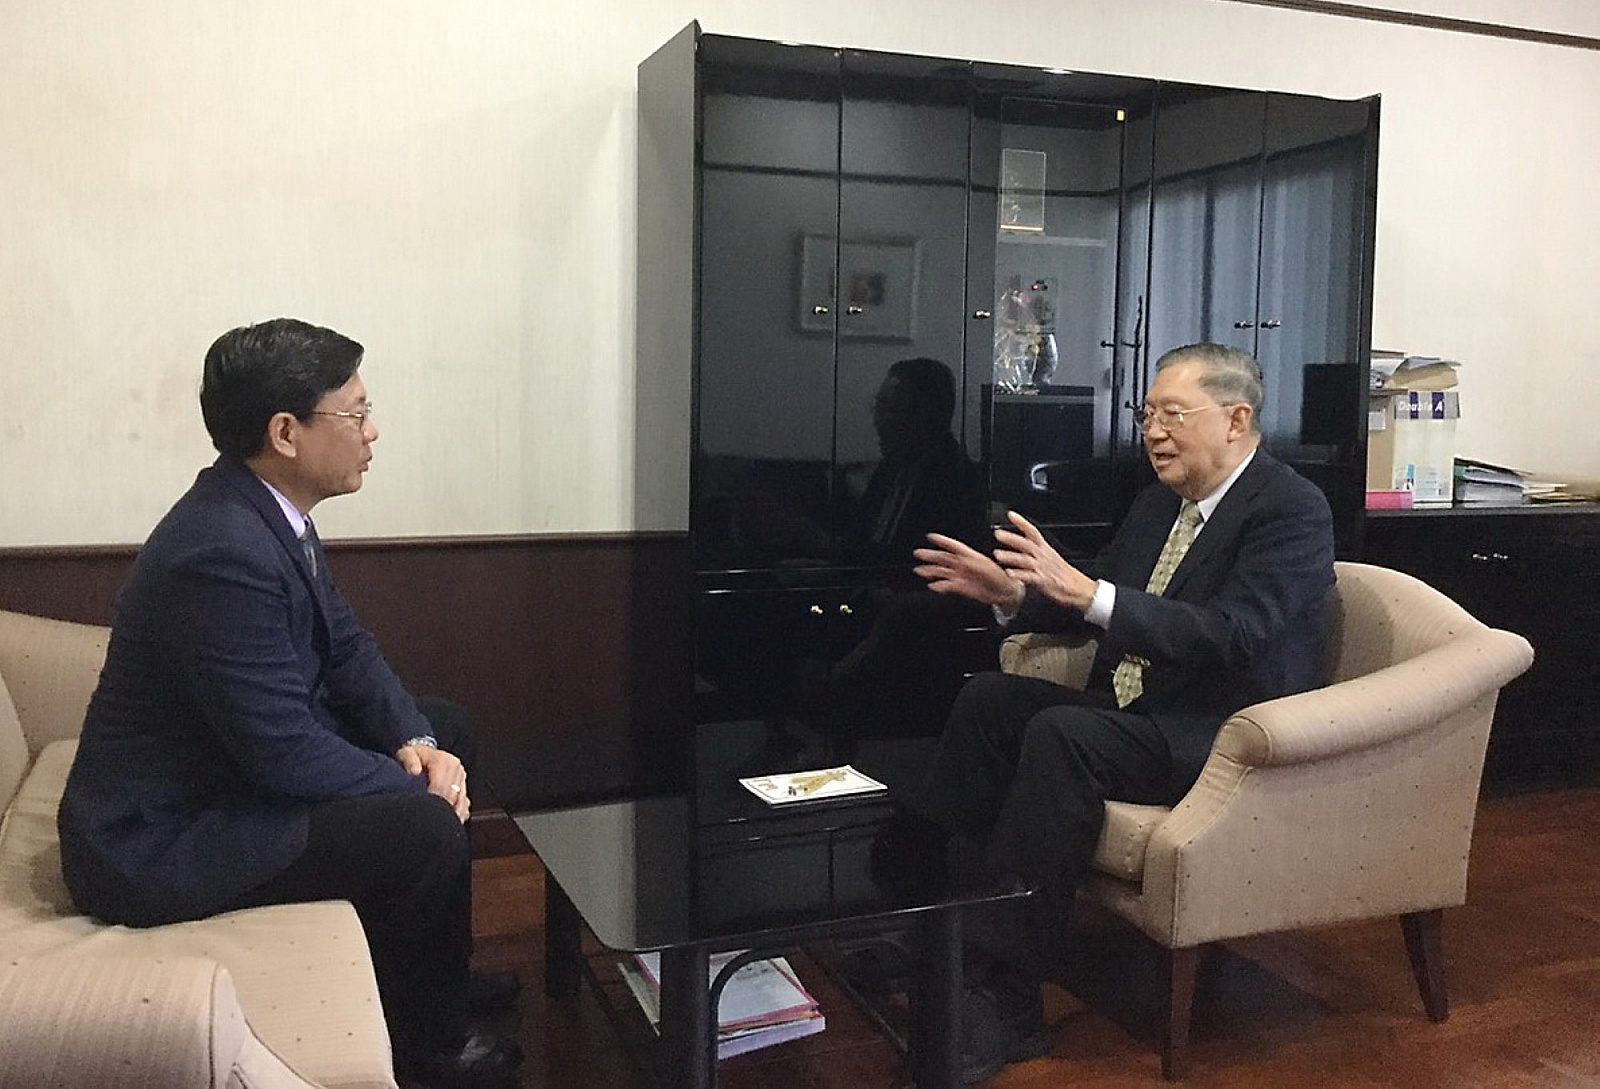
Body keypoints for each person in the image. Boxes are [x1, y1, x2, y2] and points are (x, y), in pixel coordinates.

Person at [57, 318, 523, 1085]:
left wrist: (419, 743)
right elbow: (281, 753)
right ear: (286, 433)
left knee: (448, 727)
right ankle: (431, 1045)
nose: (373, 431)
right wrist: (417, 785)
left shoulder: (268, 514)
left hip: (224, 771)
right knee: (420, 825)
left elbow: (347, 648)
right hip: (162, 833)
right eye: (356, 412)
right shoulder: (220, 549)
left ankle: (433, 974)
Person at [908, 342, 1336, 1083]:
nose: (1153, 432)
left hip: (1219, 734)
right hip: (1139, 713)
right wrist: (1012, 594)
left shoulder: (1291, 509)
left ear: (1236, 420)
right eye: (1147, 415)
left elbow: (1233, 634)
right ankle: (939, 931)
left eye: (1173, 414)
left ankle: (1008, 1000)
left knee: (1062, 734)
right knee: (989, 699)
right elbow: (1097, 599)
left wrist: (1089, 593)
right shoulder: (1157, 504)